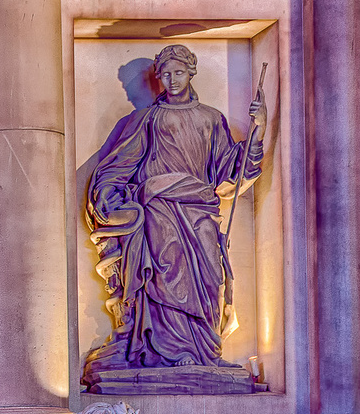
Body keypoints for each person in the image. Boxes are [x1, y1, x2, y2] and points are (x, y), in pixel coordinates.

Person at [81, 44, 265, 383]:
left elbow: (232, 171)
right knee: (168, 272)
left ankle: (206, 350)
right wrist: (108, 196)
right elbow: (118, 165)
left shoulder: (211, 118)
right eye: (165, 74)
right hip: (160, 207)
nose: (172, 79)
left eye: (178, 72)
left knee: (211, 276)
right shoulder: (145, 120)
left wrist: (259, 130)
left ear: (191, 73)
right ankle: (171, 350)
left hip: (201, 208)